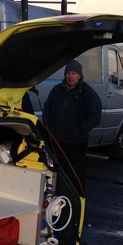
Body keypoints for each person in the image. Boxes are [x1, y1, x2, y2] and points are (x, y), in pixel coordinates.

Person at [43, 59, 102, 188]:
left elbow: (95, 117)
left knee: (74, 177)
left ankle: (76, 202)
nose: (70, 76)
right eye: (68, 73)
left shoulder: (88, 94)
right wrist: (47, 127)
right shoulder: (56, 90)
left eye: (74, 73)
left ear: (80, 75)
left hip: (76, 145)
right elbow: (47, 109)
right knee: (54, 175)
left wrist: (77, 130)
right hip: (55, 142)